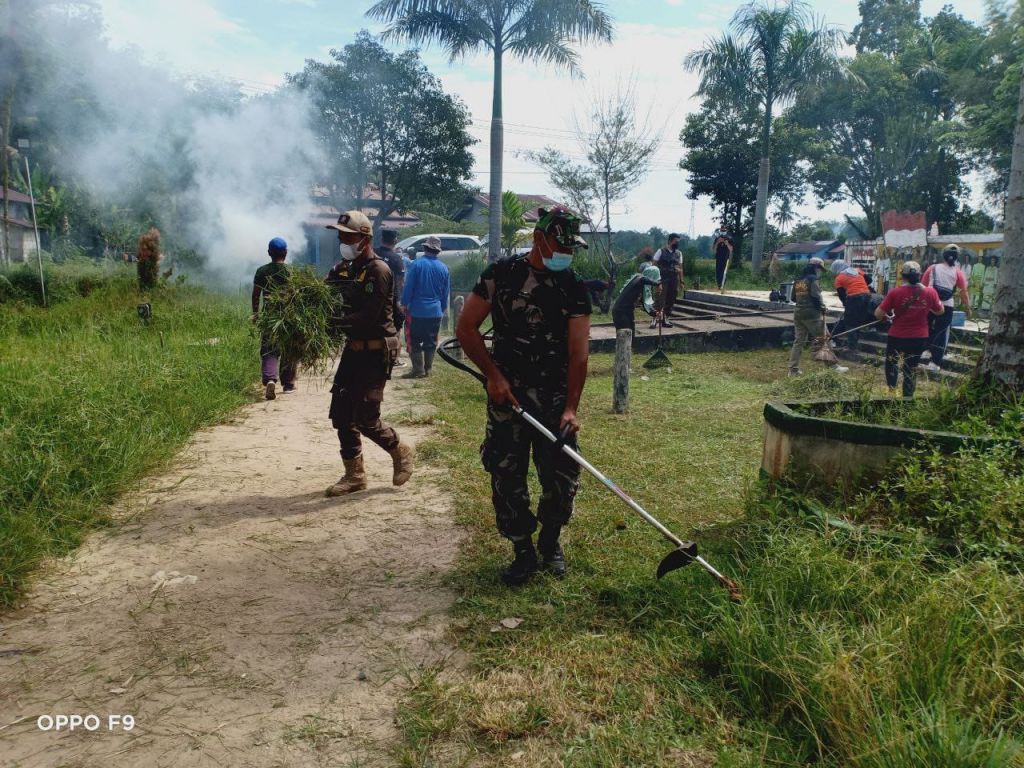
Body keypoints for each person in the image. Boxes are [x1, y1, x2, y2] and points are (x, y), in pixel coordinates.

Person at [456, 207, 591, 586]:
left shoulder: (573, 287)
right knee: (506, 474)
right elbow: (466, 327)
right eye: (561, 245)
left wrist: (571, 407)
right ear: (539, 239)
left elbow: (579, 353)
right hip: (508, 399)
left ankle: (550, 542)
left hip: (554, 400)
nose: (567, 254)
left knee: (562, 476)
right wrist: (494, 377)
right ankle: (522, 550)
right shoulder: (500, 275)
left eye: (572, 247)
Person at [323, 210, 415, 496]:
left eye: (348, 237)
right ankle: (355, 475)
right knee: (341, 414)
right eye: (340, 237)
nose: (343, 242)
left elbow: (367, 317)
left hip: (376, 353)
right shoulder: (343, 270)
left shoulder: (379, 271)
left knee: (366, 418)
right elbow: (325, 293)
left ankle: (400, 449)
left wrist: (334, 322)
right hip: (353, 351)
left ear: (365, 239)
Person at [874, 261, 944, 397]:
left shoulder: (895, 292)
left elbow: (878, 314)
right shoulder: (930, 292)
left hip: (897, 336)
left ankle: (892, 392)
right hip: (919, 337)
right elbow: (940, 311)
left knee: (892, 363)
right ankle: (908, 397)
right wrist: (925, 308)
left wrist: (888, 316)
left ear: (902, 275)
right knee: (911, 367)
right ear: (919, 275)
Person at [252, 236, 297, 400]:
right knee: (290, 348)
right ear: (285, 253)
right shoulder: (291, 272)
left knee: (269, 349)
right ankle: (288, 384)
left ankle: (270, 379)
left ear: (269, 253)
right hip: (289, 315)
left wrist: (256, 313)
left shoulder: (262, 271)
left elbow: (256, 294)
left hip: (269, 316)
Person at [788, 257, 848, 376]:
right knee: (825, 338)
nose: (820, 272)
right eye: (820, 269)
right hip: (812, 315)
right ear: (816, 267)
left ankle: (793, 370)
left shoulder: (798, 280)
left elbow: (793, 298)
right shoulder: (813, 280)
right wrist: (822, 307)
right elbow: (816, 297)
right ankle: (833, 366)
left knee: (798, 342)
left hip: (798, 314)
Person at [401, 236, 450, 378]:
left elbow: (409, 287)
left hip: (416, 311)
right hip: (435, 311)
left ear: (424, 248)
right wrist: (442, 308)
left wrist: (404, 303)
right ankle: (428, 369)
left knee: (413, 339)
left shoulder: (417, 265)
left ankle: (418, 369)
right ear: (438, 251)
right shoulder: (444, 268)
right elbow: (445, 292)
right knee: (431, 341)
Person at [922, 244, 972, 372]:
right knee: (941, 332)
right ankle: (934, 363)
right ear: (956, 257)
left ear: (943, 255)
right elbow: (963, 292)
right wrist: (968, 308)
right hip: (947, 305)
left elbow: (922, 286)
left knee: (927, 327)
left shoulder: (932, 268)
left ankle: (926, 351)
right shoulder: (958, 272)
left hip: (930, 303)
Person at [377, 228, 407, 368]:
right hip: (391, 298)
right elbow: (400, 282)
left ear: (381, 239)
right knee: (396, 326)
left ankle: (375, 356)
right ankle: (393, 359)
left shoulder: (373, 253)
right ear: (395, 241)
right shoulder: (396, 259)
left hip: (372, 297)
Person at [611, 252, 661, 334]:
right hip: (620, 312)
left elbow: (645, 304)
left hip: (628, 312)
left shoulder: (643, 287)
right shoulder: (638, 279)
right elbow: (642, 279)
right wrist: (657, 283)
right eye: (654, 278)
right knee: (625, 335)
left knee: (631, 335)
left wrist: (655, 313)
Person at [829, 259, 873, 352]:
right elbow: (869, 280)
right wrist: (860, 284)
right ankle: (854, 345)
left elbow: (842, 296)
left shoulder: (839, 278)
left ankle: (851, 347)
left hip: (854, 298)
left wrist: (847, 306)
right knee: (859, 320)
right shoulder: (857, 271)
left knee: (850, 323)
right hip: (867, 295)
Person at [651, 233, 683, 327]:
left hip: (674, 279)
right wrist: (656, 279)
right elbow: (654, 265)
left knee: (671, 299)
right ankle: (654, 319)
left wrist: (681, 281)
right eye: (675, 241)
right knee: (659, 299)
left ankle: (666, 319)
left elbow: (680, 267)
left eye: (678, 242)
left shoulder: (679, 253)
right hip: (662, 278)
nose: (677, 243)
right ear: (670, 241)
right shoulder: (660, 251)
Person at [712, 222, 734, 290]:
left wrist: (727, 244)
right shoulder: (717, 238)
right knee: (718, 272)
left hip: (726, 258)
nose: (723, 231)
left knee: (724, 272)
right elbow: (713, 249)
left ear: (726, 230)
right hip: (718, 258)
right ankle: (719, 286)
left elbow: (731, 249)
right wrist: (718, 242)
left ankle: (723, 286)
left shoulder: (729, 238)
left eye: (724, 230)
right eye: (722, 230)